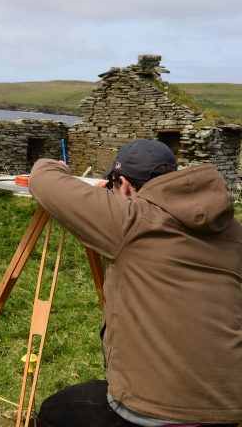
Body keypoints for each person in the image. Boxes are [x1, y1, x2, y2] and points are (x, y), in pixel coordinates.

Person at [27, 139, 242, 427]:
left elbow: (42, 178)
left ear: (125, 185)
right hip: (229, 407)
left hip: (155, 410)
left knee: (56, 412)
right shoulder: (232, 231)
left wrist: (60, 165)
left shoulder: (130, 221)